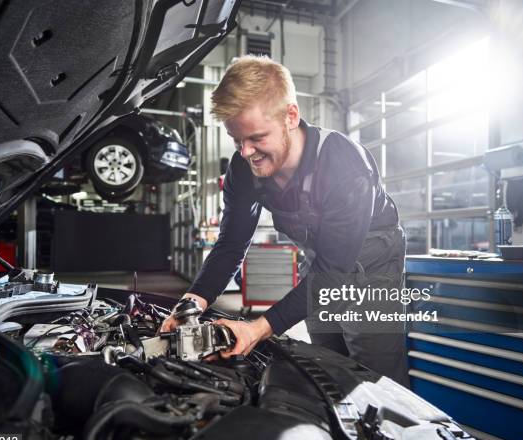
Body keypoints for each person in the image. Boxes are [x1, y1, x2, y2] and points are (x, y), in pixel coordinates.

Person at [161, 55, 409, 386]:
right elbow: (232, 245)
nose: (246, 152)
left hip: (373, 264)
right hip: (321, 262)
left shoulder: (344, 165)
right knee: (326, 365)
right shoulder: (243, 169)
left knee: (375, 379)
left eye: (257, 138)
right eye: (237, 140)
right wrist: (192, 302)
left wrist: (256, 329)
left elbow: (336, 271)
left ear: (290, 116)